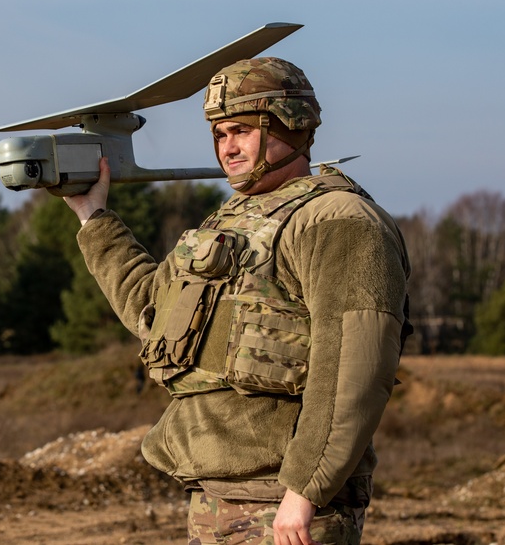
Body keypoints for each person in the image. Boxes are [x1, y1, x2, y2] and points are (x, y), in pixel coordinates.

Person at [63, 57, 410, 545]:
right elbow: (150, 310)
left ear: (292, 125)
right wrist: (93, 216)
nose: (228, 148)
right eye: (220, 134)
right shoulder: (230, 220)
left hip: (286, 504)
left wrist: (305, 491)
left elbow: (354, 367)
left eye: (242, 131)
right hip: (213, 496)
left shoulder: (339, 221)